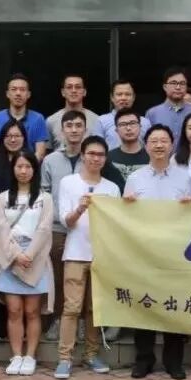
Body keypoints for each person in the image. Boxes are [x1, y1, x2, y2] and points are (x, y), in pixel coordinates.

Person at [41, 110, 126, 343]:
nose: (95, 159)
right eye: (69, 125)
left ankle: (88, 345)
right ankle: (61, 334)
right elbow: (45, 193)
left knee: (91, 303)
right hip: (61, 232)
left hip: (97, 245)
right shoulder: (53, 163)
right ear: (61, 130)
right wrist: (74, 211)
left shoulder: (108, 179)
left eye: (79, 125)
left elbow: (117, 210)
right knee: (63, 288)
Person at [124, 125, 191, 380]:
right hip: (144, 252)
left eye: (163, 140)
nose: (158, 145)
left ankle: (174, 361)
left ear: (172, 145)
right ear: (146, 146)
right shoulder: (135, 178)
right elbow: (124, 216)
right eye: (153, 141)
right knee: (144, 304)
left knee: (173, 305)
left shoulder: (185, 178)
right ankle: (144, 359)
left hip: (175, 252)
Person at [54, 135, 120, 380]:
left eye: (100, 155)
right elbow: (66, 221)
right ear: (82, 155)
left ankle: (91, 354)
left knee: (94, 308)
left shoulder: (111, 188)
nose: (96, 158)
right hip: (75, 253)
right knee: (71, 308)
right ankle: (64, 358)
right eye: (91, 153)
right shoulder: (68, 183)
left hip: (101, 255)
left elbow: (116, 224)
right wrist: (80, 209)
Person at [0, 151, 54, 377]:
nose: (23, 171)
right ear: (13, 169)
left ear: (34, 170)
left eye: (28, 166)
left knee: (32, 311)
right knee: (14, 310)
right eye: (19, 166)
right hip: (10, 258)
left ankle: (30, 356)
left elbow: (45, 229)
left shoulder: (44, 198)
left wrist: (29, 254)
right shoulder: (2, 198)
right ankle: (16, 355)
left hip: (36, 258)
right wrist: (16, 254)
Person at [0, 74, 49, 158]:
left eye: (22, 90)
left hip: (30, 165)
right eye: (14, 89)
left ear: (28, 94)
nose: (18, 93)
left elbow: (40, 153)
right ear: (7, 94)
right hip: (2, 164)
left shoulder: (38, 119)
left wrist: (26, 165)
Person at [145, 67, 191, 149]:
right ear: (165, 87)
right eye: (173, 83)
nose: (178, 87)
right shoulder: (152, 113)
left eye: (182, 83)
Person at [46, 73, 100, 152]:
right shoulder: (51, 121)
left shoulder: (97, 120)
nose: (74, 90)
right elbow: (47, 152)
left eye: (78, 87)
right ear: (63, 92)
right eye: (69, 87)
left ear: (84, 92)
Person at [98, 80, 152, 150]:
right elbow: (97, 148)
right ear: (112, 97)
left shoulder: (145, 122)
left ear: (134, 97)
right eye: (119, 94)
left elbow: (150, 148)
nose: (123, 98)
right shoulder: (101, 121)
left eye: (128, 94)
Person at [0, 118, 27, 198]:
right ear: (2, 138)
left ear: (24, 138)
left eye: (17, 136)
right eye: (8, 136)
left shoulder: (31, 161)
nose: (13, 140)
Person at [108, 108, 151, 181]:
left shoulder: (151, 157)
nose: (128, 128)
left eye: (132, 123)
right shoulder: (108, 158)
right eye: (123, 124)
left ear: (140, 127)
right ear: (116, 130)